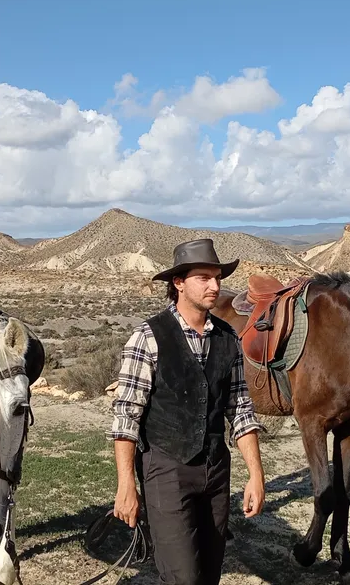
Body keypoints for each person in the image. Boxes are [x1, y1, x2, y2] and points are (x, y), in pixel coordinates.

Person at [107, 238, 266, 585]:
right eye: (204, 278)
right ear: (178, 283)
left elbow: (241, 409)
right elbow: (126, 417)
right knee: (182, 577)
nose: (215, 286)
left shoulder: (228, 338)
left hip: (216, 470)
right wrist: (126, 485)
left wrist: (256, 474)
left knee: (210, 574)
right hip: (166, 470)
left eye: (217, 278)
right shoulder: (147, 337)